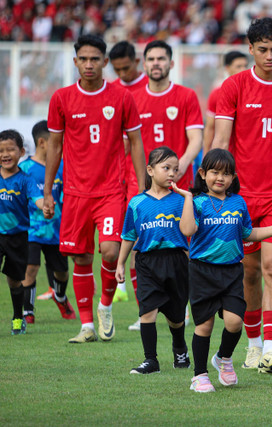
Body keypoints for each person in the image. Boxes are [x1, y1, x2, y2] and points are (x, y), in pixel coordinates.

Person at [211, 17, 272, 374]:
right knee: (249, 274)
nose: (269, 55)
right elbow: (221, 142)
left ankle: (270, 348)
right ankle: (251, 346)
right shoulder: (233, 87)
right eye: (262, 49)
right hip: (242, 197)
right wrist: (216, 191)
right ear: (250, 49)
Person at [44, 34, 146, 344]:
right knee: (82, 258)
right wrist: (48, 191)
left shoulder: (121, 97)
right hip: (75, 192)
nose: (89, 64)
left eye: (94, 59)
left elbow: (137, 143)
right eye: (83, 59)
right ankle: (86, 326)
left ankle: (105, 306)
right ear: (75, 61)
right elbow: (55, 146)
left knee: (112, 251)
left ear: (105, 62)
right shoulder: (61, 98)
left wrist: (142, 191)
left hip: (111, 191)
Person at [172, 149, 272, 392]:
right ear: (203, 173)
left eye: (226, 174)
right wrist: (186, 199)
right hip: (203, 272)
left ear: (233, 177)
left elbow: (248, 233)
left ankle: (224, 359)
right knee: (204, 326)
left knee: (235, 322)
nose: (220, 178)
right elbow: (186, 230)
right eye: (214, 172)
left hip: (232, 272)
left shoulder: (238, 202)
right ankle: (200, 375)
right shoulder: (197, 202)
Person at [126, 39, 203, 330]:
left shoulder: (185, 96)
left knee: (183, 246)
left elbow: (196, 138)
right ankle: (146, 309)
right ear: (143, 64)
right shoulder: (132, 97)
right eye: (151, 59)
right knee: (142, 243)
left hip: (179, 189)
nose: (156, 63)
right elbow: (127, 142)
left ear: (171, 63)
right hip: (143, 187)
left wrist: (180, 165)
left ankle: (180, 307)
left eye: (162, 58)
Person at [116, 146, 190, 374]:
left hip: (176, 261)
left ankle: (179, 347)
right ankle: (151, 360)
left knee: (176, 317)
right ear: (150, 170)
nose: (171, 173)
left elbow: (191, 231)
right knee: (147, 312)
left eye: (175, 170)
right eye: (166, 168)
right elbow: (129, 235)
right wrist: (120, 263)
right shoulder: (137, 203)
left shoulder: (181, 201)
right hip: (147, 262)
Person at [20, 120, 75, 323]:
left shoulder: (62, 165)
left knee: (61, 272)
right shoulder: (24, 168)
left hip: (57, 229)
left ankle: (60, 296)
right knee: (30, 268)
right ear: (43, 142)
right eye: (56, 140)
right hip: (31, 229)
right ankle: (28, 311)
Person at [108, 40, 149, 307]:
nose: (122, 74)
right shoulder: (109, 91)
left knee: (140, 238)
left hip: (140, 172)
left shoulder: (151, 87)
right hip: (112, 176)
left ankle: (144, 307)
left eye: (126, 68)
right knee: (111, 242)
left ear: (136, 61)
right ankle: (107, 301)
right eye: (117, 69)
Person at [0, 129, 44, 335]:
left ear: (22, 152)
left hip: (18, 238)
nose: (5, 154)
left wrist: (45, 205)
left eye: (10, 149)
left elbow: (37, 198)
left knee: (14, 280)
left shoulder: (25, 180)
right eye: (0, 150)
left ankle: (18, 317)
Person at [203, 51, 249, 153]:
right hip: (226, 156)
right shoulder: (216, 94)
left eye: (245, 66)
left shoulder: (254, 93)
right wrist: (205, 156)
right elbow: (210, 127)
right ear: (227, 68)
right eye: (238, 66)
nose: (243, 70)